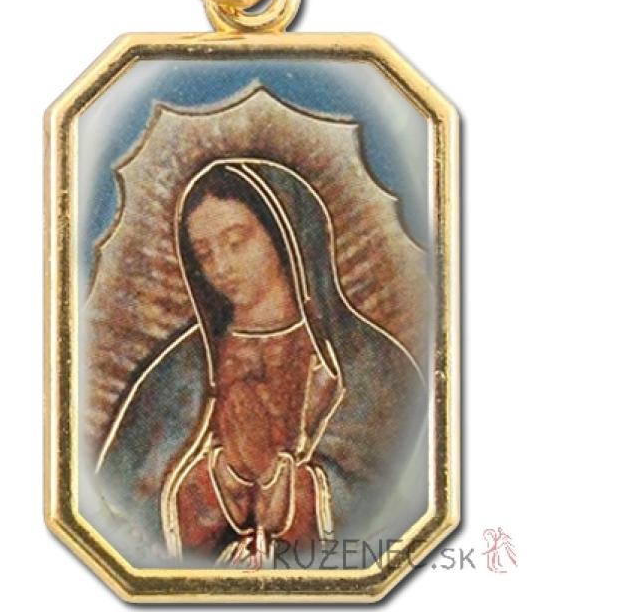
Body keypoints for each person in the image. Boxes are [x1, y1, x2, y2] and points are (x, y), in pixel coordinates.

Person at [95, 159, 427, 567]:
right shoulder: (181, 370)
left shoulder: (370, 364)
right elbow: (118, 506)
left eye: (236, 242)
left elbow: (395, 495)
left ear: (285, 239)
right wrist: (227, 474)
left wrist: (273, 473)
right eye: (204, 254)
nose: (220, 267)